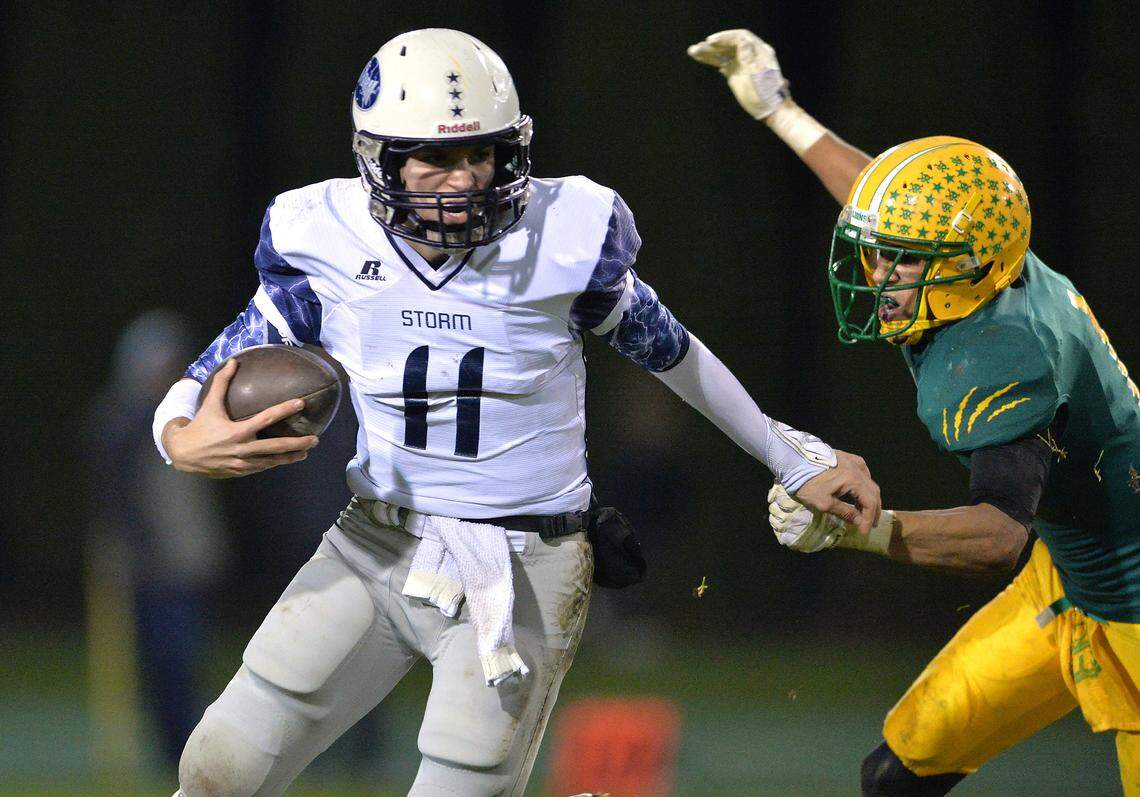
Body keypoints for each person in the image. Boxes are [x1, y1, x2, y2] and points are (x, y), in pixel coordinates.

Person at [154, 28, 879, 797]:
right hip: (375, 542)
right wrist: (179, 436)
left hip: (526, 562)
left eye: (483, 153)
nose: (465, 179)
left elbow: (674, 353)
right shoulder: (324, 237)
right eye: (437, 158)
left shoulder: (562, 235)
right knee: (216, 768)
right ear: (382, 158)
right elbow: (212, 367)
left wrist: (790, 455)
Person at [689, 28, 1140, 797]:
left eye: (898, 260)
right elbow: (889, 200)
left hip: (1129, 610)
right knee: (897, 775)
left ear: (962, 269)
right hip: (1067, 579)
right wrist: (781, 111)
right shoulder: (988, 261)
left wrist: (855, 530)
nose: (876, 270)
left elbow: (998, 534)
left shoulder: (1004, 349)